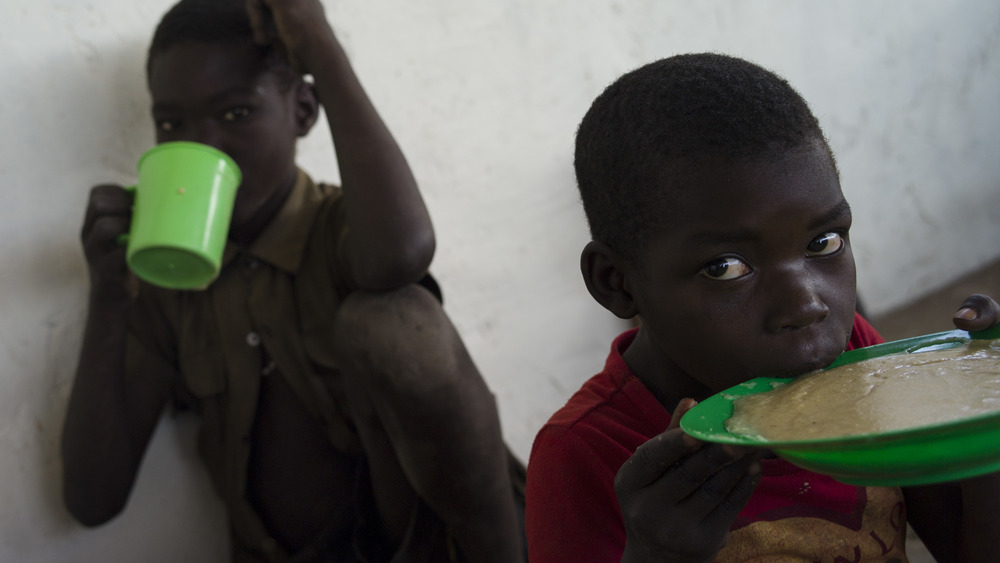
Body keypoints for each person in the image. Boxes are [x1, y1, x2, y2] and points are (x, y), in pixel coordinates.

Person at [61, 0, 526, 561]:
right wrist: (109, 298)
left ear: (303, 110)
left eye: (235, 113)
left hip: (422, 542)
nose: (203, 145)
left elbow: (401, 255)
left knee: (395, 319)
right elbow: (92, 498)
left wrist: (321, 50)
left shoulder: (338, 230)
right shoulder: (168, 286)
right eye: (171, 123)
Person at [524, 53, 1000, 562]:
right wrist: (654, 554)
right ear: (615, 282)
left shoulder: (856, 354)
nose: (807, 305)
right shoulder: (585, 455)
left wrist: (980, 416)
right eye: (726, 268)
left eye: (824, 242)